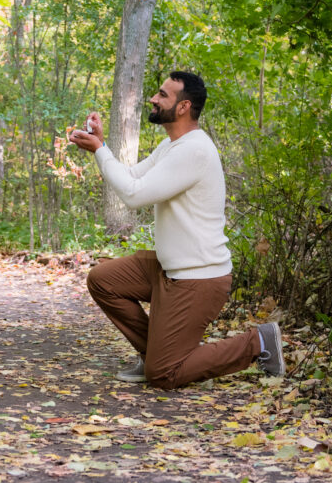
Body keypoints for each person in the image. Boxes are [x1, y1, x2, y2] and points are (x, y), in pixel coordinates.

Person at [68, 70, 284, 389]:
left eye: (163, 95)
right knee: (103, 281)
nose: (154, 99)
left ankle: (259, 342)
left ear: (183, 107)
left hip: (198, 277)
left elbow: (134, 195)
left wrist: (99, 150)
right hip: (170, 270)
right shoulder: (172, 146)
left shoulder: (193, 151)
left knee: (164, 375)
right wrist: (102, 145)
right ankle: (154, 351)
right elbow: (131, 177)